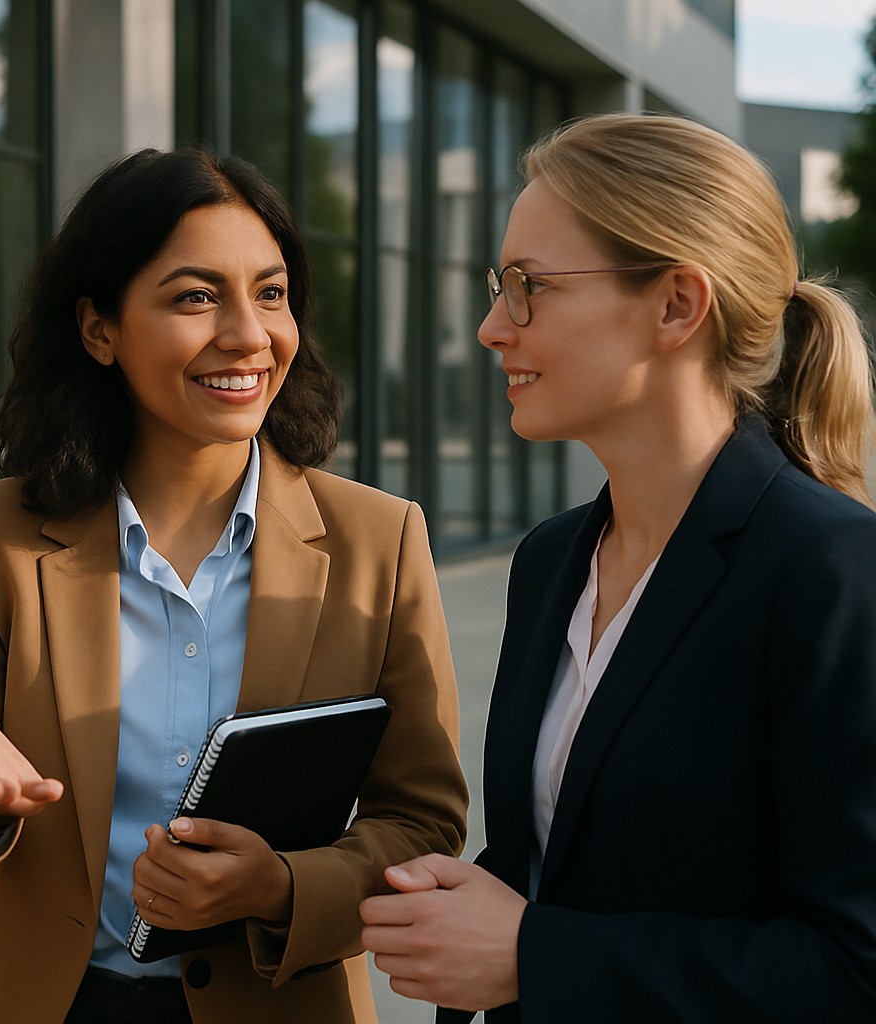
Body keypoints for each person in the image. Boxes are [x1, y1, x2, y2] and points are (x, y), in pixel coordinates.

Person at [0, 147, 467, 1024]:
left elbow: (422, 824)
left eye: (270, 293)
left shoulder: (381, 541)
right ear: (99, 328)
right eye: (196, 296)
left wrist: (281, 884)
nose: (249, 335)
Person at [361, 112, 876, 1022]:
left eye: (527, 287)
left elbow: (852, 970)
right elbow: (562, 866)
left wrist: (533, 954)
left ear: (678, 304)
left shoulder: (832, 572)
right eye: (496, 285)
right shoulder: (551, 560)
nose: (490, 327)